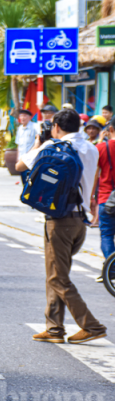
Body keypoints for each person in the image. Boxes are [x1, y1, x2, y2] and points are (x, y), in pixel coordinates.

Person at [16, 109, 108, 344]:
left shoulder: (52, 148)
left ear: (56, 125)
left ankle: (91, 325)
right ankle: (54, 327)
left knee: (57, 277)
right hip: (80, 221)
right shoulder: (90, 148)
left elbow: (19, 166)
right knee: (56, 272)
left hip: (59, 221)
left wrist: (39, 143)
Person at [96, 120, 115, 282]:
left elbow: (94, 173)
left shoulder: (101, 148)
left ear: (110, 129)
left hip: (106, 197)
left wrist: (90, 197)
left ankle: (112, 267)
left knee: (107, 235)